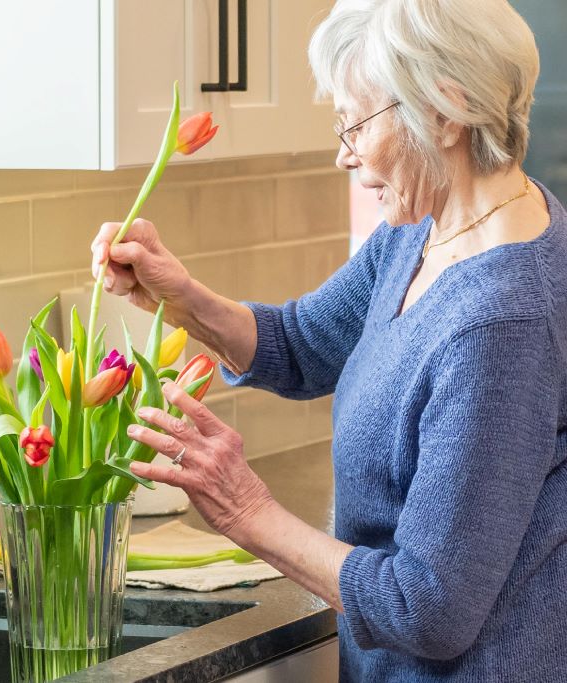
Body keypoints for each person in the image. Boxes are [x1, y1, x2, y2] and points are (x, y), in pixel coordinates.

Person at [93, 0, 566, 679]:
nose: (344, 153)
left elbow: (427, 605)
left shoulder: (502, 322)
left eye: (357, 123)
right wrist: (179, 297)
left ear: (444, 111)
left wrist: (246, 508)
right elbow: (303, 342)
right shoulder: (427, 227)